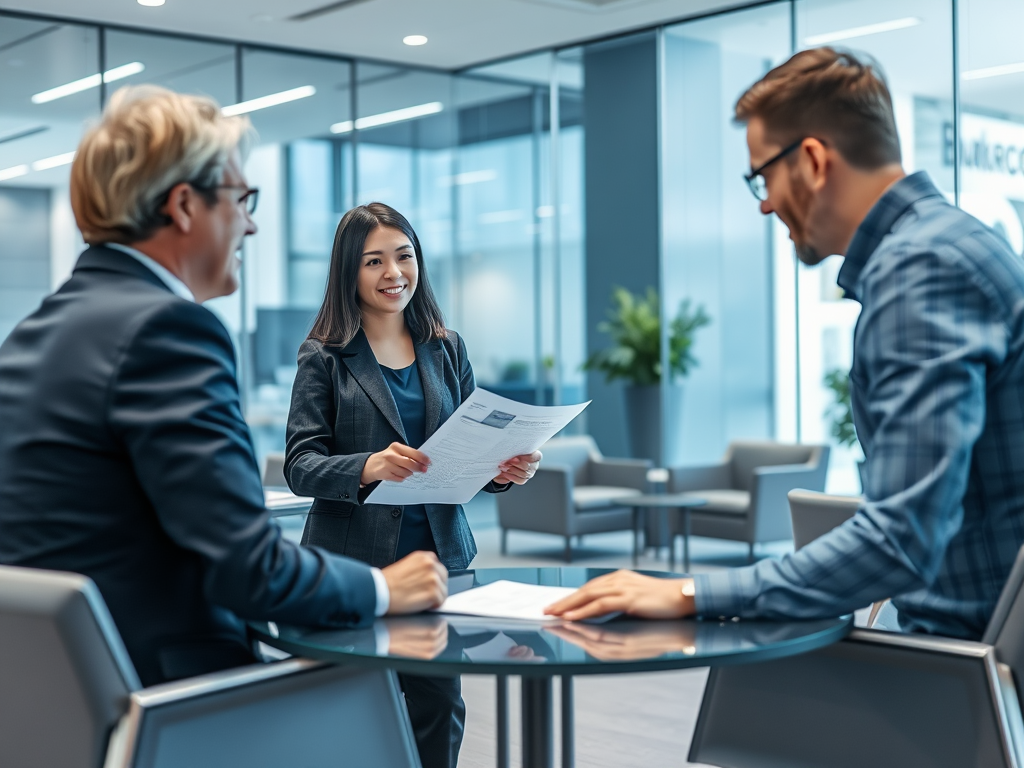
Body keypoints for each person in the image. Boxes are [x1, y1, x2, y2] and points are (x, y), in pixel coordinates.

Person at [547, 47, 1024, 641]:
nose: (765, 202)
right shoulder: (945, 246)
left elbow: (902, 537)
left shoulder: (921, 271)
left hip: (968, 665)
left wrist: (690, 590)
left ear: (814, 160)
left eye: (763, 175)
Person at [0, 85, 448, 688]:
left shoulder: (35, 334)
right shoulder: (167, 329)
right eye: (241, 198)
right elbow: (251, 570)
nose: (252, 223)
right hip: (171, 696)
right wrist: (381, 585)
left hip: (55, 695)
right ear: (185, 206)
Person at [284, 201, 541, 768]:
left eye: (404, 256)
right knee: (351, 710)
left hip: (439, 563)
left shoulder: (446, 348)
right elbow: (300, 464)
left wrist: (504, 470)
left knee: (438, 706)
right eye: (374, 261)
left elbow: (471, 449)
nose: (393, 273)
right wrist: (369, 465)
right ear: (349, 272)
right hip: (355, 565)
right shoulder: (324, 357)